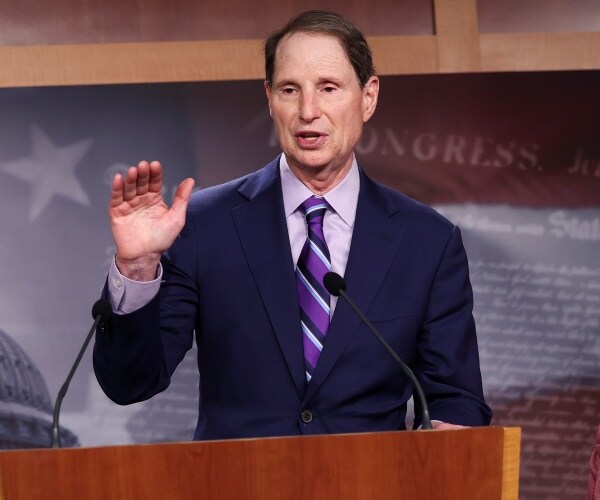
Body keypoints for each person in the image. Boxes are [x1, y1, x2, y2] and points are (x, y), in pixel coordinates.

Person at [93, 10, 492, 440]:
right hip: (238, 475)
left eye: (328, 88)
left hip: (369, 475)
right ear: (269, 98)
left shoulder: (427, 241)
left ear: (368, 96)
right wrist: (137, 268)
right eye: (289, 90)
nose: (308, 111)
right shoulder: (205, 225)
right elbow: (130, 383)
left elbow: (456, 397)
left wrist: (446, 439)